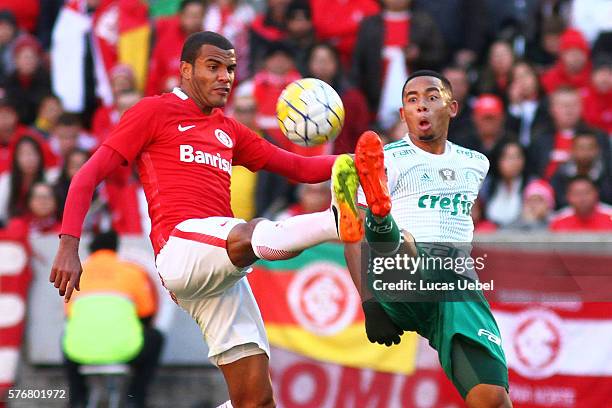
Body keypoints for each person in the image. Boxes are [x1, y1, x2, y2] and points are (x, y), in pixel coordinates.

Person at [50, 31, 363, 408]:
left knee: (257, 400)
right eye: (213, 67)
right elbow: (87, 175)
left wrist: (356, 162)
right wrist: (69, 244)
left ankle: (335, 218)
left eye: (230, 69)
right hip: (181, 248)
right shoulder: (153, 111)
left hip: (220, 270)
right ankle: (335, 221)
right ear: (185, 70)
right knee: (246, 234)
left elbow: (297, 166)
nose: (224, 77)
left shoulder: (228, 129)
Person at [345, 71, 511, 407]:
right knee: (399, 239)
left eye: (432, 97)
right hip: (401, 275)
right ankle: (381, 218)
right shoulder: (386, 159)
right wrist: (369, 303)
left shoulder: (475, 163)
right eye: (412, 100)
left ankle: (383, 222)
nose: (422, 105)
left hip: (458, 289)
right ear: (403, 113)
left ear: (452, 107)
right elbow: (351, 234)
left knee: (492, 399)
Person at [63, 230, 164, 408]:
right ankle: (135, 398)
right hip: (126, 351)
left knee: (66, 339)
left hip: (81, 352)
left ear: (90, 248)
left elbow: (69, 315)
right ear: (117, 247)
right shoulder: (131, 271)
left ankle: (78, 399)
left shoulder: (77, 272)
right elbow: (146, 313)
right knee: (156, 337)